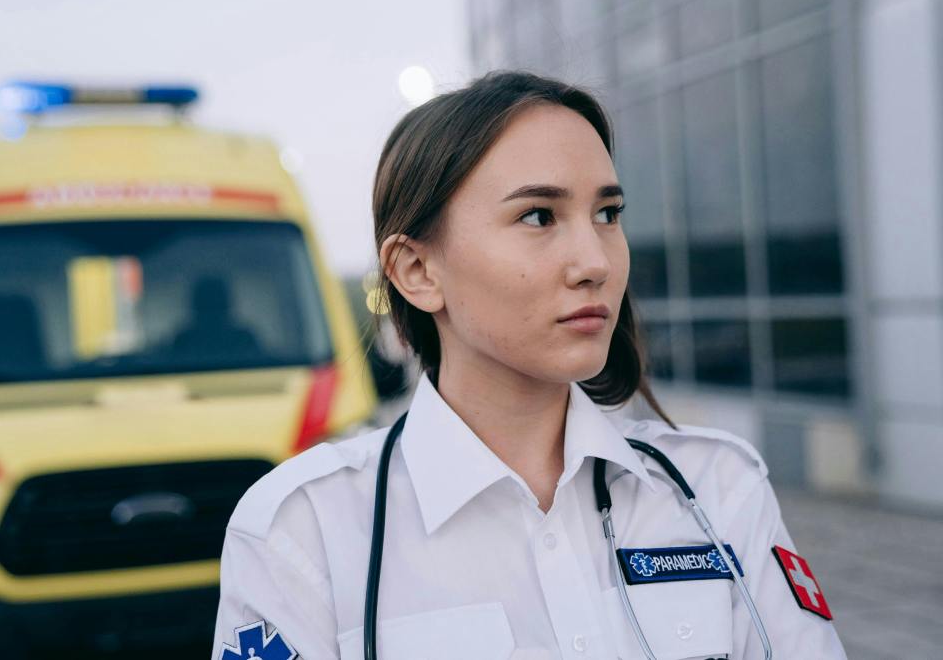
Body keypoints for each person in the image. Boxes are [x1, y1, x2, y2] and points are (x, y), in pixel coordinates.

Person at [211, 71, 847, 659]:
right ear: (417, 270)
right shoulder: (304, 530)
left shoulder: (718, 488)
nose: (595, 261)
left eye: (608, 213)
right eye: (539, 216)